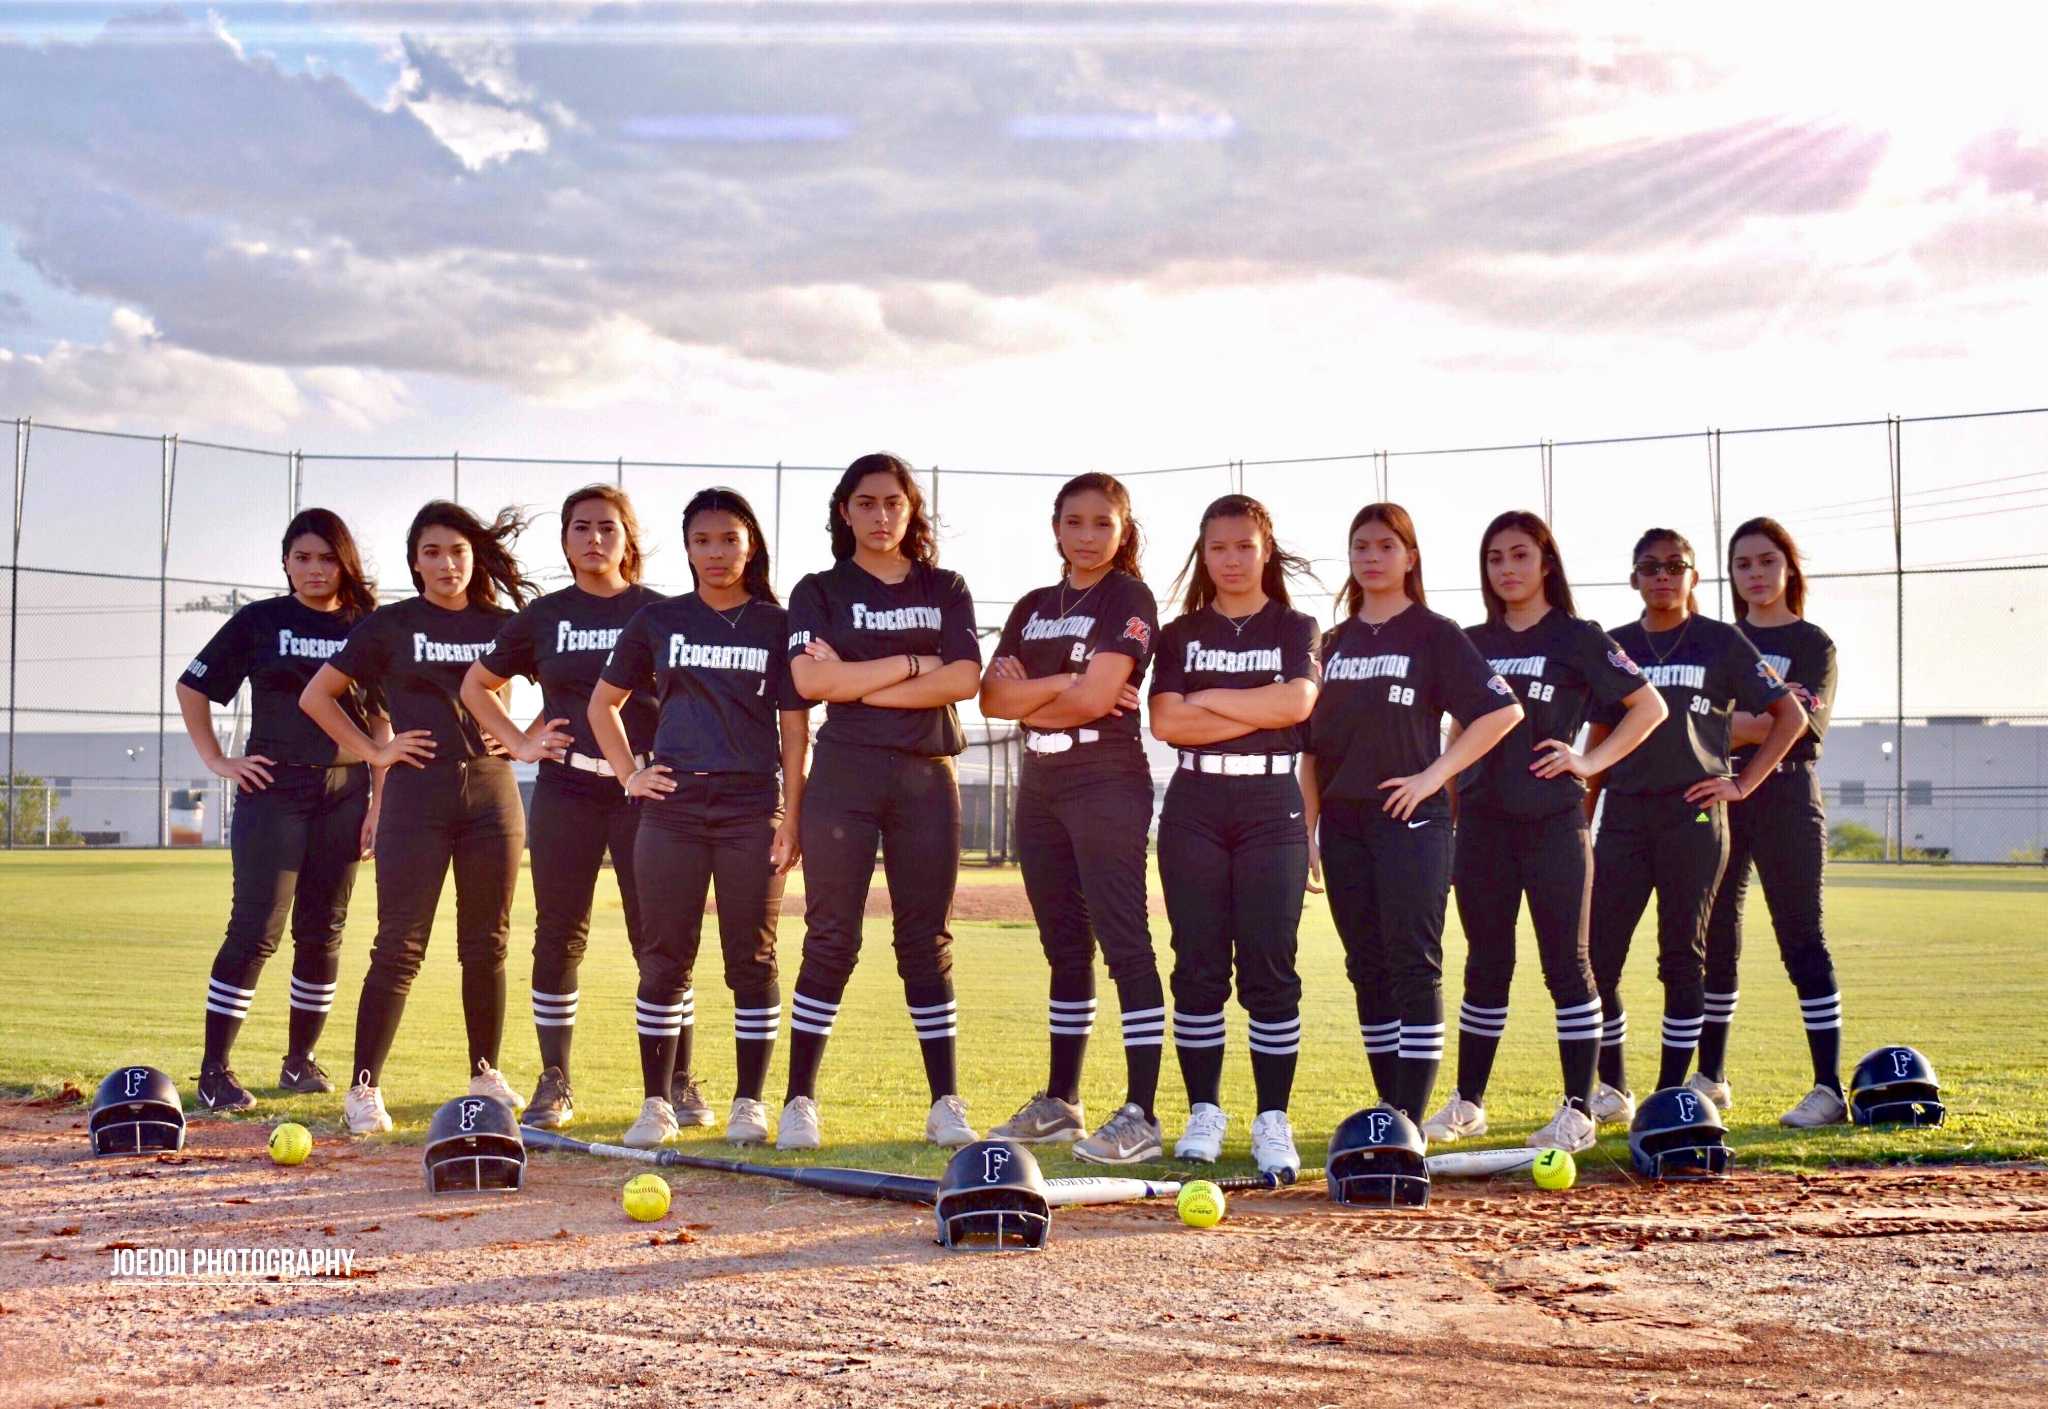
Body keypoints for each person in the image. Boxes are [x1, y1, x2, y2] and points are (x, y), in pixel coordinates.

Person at [1425, 511, 1667, 1154]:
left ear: (1546, 564)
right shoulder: (1470, 641)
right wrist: (1452, 794)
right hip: (1481, 825)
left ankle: (1578, 1109)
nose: (1507, 569)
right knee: (1486, 964)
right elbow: (1460, 730)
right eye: (1495, 558)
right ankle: (1469, 1103)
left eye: (1520, 556)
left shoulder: (1578, 636)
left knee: (1569, 965)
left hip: (1555, 823)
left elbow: (1650, 706)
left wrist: (1589, 762)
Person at [300, 501, 538, 1135]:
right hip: (416, 797)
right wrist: (377, 750)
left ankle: (485, 1074)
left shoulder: (505, 624)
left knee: (487, 943)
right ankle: (363, 1087)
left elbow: (574, 688)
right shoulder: (389, 626)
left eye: (457, 551)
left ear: (473, 558)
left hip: (492, 796)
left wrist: (521, 739)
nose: (446, 563)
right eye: (431, 552)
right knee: (399, 944)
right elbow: (315, 695)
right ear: (415, 562)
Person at [589, 487, 810, 1148]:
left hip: (750, 807)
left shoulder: (777, 623)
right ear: (686, 548)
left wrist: (791, 814)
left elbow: (796, 729)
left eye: (729, 540)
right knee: (663, 959)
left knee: (753, 958)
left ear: (751, 546)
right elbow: (603, 705)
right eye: (702, 541)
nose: (716, 553)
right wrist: (631, 774)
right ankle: (656, 1102)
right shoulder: (659, 620)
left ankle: (749, 1101)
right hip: (673, 810)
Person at [780, 453, 984, 1150]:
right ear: (845, 511)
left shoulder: (945, 586)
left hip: (926, 775)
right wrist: (906, 665)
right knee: (832, 936)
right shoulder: (818, 590)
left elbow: (962, 678)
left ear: (911, 509)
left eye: (893, 502)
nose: (881, 515)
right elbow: (808, 679)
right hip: (845, 775)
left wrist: (857, 681)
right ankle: (799, 1100)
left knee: (925, 941)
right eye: (866, 503)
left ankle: (945, 1102)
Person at [1300, 503, 1523, 1132]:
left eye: (1386, 546)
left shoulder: (1433, 632)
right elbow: (1310, 751)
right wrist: (1308, 829)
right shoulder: (1333, 644)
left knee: (1413, 961)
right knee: (1364, 964)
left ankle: (1411, 1118)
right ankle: (1389, 1109)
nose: (1372, 557)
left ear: (1410, 556)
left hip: (1413, 822)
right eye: (1360, 546)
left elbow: (1501, 712)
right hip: (1343, 826)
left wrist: (1434, 776)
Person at [1583, 528, 1808, 1126]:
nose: (1662, 576)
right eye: (1649, 567)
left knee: (1681, 955)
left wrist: (1741, 783)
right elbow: (1601, 736)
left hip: (1694, 813)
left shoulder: (1720, 641)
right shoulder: (1616, 645)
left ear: (1693, 576)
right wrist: (1581, 819)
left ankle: (1669, 1093)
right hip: (1626, 814)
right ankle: (1614, 1086)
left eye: (1674, 566)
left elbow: (1791, 714)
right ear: (1633, 577)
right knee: (1600, 955)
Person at [460, 485, 664, 1129]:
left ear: (629, 537)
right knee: (558, 934)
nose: (594, 539)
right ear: (566, 541)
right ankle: (555, 1081)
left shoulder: (661, 613)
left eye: (607, 527)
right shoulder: (545, 616)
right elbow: (476, 684)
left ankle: (675, 1082)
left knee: (658, 937)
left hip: (643, 792)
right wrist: (521, 742)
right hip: (567, 788)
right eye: (580, 528)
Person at [981, 473, 1163, 1163]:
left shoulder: (1129, 597)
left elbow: (1096, 700)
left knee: (1125, 943)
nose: (1088, 535)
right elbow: (992, 700)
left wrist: (1048, 691)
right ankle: (1061, 1101)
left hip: (1106, 778)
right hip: (1041, 783)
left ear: (1123, 530)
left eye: (1102, 523)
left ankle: (1141, 1111)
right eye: (1075, 521)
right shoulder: (1032, 606)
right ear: (1055, 527)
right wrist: (1060, 685)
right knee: (1064, 946)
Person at [177, 509, 385, 1110]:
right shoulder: (260, 621)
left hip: (345, 793)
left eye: (326, 557)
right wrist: (219, 761)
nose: (315, 569)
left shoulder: (367, 625)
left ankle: (300, 1064)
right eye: (302, 558)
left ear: (344, 561)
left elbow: (380, 722)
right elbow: (192, 686)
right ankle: (215, 1071)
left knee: (324, 932)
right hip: (274, 791)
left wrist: (378, 802)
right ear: (286, 562)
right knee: (256, 928)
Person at [1148, 493, 1320, 1179]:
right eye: (1218, 546)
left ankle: (1272, 1116)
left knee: (1270, 965)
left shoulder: (1296, 625)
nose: (1231, 558)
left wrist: (1209, 699)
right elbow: (1166, 721)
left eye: (1244, 545)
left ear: (1265, 548)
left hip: (1271, 803)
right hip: (1194, 801)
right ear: (1203, 552)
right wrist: (1254, 706)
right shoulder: (1180, 633)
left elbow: (1297, 703)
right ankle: (1204, 1111)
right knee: (1196, 966)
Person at [1698, 516, 1847, 1127]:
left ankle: (1829, 1089)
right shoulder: (1719, 641)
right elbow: (1701, 722)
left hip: (1787, 799)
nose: (1755, 575)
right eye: (1742, 565)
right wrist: (1757, 718)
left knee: (1801, 938)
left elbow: (1801, 725)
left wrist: (1744, 720)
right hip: (1723, 799)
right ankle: (1711, 1078)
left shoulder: (1814, 644)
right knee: (1715, 940)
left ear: (1788, 566)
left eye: (1766, 561)